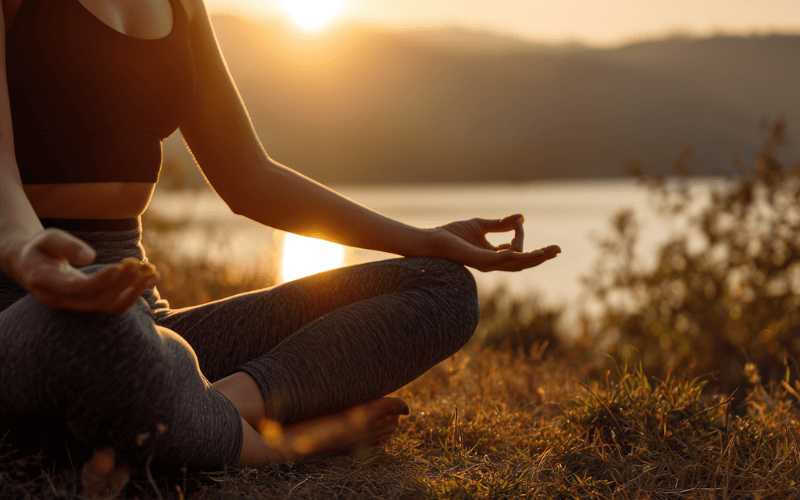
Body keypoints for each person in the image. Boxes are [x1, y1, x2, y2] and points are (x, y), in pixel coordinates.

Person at [0, 0, 560, 477]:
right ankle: (280, 445)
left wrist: (424, 240)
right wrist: (29, 256)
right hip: (24, 302)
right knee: (104, 331)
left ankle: (206, 407)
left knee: (440, 288)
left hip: (143, 323)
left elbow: (249, 178)